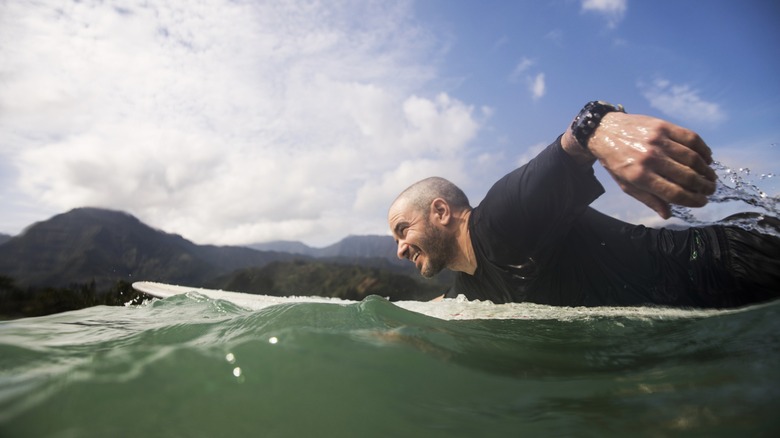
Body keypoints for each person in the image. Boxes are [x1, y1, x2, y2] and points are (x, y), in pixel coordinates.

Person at [388, 101, 780, 308]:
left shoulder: (503, 217)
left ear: (441, 212)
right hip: (712, 308)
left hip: (732, 261)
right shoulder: (471, 282)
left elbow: (577, 140)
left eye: (403, 230)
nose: (400, 249)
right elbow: (447, 301)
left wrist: (604, 127)